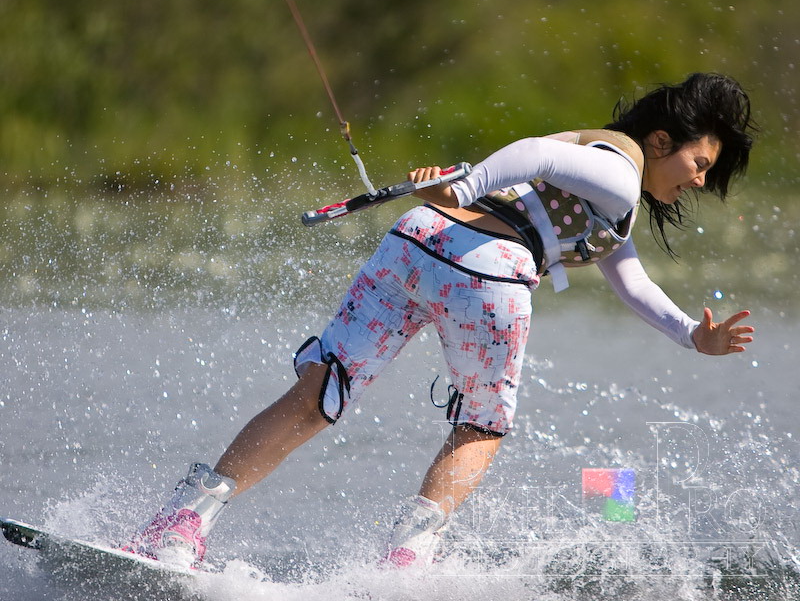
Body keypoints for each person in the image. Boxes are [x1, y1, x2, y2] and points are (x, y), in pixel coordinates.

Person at [126, 72, 757, 568]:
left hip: (417, 239)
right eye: (700, 165)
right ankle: (405, 564)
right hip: (491, 269)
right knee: (481, 424)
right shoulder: (620, 173)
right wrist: (468, 186)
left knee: (319, 394)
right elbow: (535, 154)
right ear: (661, 142)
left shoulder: (606, 184)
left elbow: (633, 281)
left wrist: (692, 335)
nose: (700, 181)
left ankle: (181, 523)